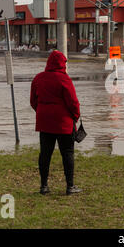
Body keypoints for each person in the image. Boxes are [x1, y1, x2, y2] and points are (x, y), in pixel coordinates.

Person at [30, 50, 82, 195]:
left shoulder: (38, 78)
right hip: (63, 124)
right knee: (67, 153)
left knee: (45, 154)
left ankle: (44, 186)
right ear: (62, 64)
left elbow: (33, 101)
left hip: (45, 123)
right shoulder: (64, 79)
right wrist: (75, 117)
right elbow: (73, 103)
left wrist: (42, 112)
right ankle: (70, 187)